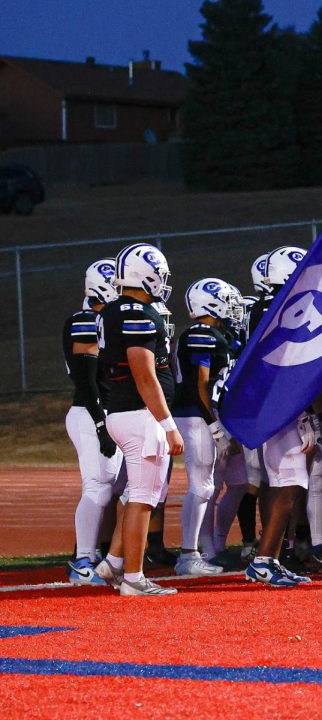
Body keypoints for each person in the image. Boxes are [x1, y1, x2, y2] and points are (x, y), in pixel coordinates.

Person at [94, 243, 184, 596]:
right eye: (159, 275)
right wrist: (168, 424)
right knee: (144, 499)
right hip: (139, 415)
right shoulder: (137, 314)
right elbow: (144, 373)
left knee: (136, 494)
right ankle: (133, 578)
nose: (162, 281)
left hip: (123, 411)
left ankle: (114, 562)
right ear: (146, 275)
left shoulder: (114, 309)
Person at [242, 246, 315, 587]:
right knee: (291, 482)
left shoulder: (264, 306)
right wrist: (298, 410)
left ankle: (268, 558)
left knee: (282, 483)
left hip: (274, 403)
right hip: (276, 405)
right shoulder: (272, 307)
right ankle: (262, 560)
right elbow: (280, 360)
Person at [173, 278, 241, 576]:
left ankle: (201, 551)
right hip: (195, 415)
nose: (232, 307)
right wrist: (213, 424)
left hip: (202, 414)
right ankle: (189, 555)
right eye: (226, 300)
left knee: (207, 485)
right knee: (201, 485)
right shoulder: (201, 334)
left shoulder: (214, 333)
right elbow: (200, 385)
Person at [65, 259, 123, 585]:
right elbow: (86, 381)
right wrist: (101, 424)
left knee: (109, 487)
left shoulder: (103, 320)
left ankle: (94, 554)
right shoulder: (85, 320)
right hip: (90, 412)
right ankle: (83, 560)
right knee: (97, 487)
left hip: (103, 411)